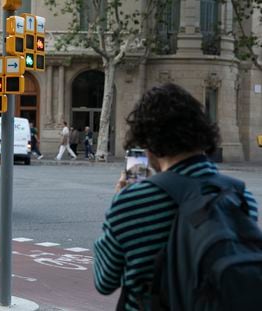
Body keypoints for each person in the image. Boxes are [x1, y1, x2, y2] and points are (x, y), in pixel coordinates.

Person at [93, 83, 259, 310]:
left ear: (149, 143)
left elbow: (104, 280)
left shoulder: (133, 201)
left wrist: (118, 202)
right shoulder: (240, 195)